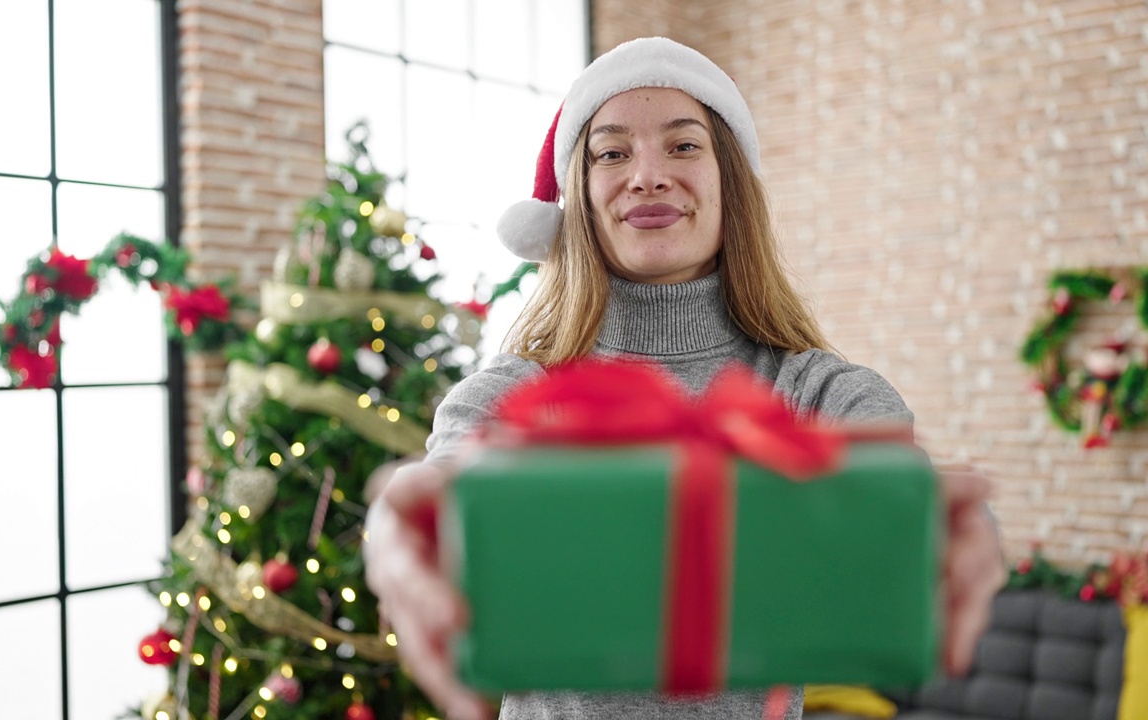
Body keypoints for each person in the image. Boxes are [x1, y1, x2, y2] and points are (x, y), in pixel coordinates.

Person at [364, 36, 1006, 720]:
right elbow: (445, 490)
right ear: (579, 195)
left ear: (730, 178)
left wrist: (942, 528)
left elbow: (897, 500)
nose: (646, 175)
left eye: (683, 145)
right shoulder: (508, 401)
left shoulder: (819, 395)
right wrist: (401, 517)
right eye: (611, 152)